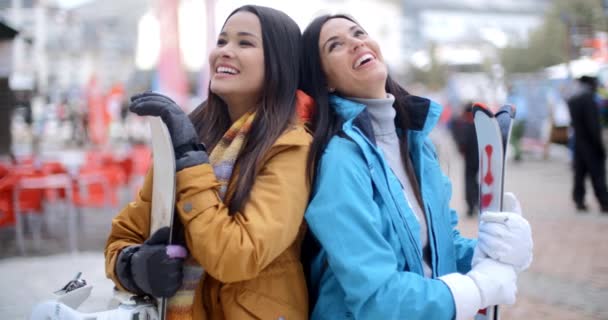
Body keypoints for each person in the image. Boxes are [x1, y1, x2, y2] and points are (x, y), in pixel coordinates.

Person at [300, 14, 533, 319]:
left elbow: (440, 247)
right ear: (325, 80)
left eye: (358, 33)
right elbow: (376, 299)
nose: (356, 43)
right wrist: (475, 289)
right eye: (336, 45)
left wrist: (493, 250)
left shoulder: (415, 143)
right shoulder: (341, 162)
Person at [105, 5, 312, 319]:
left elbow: (236, 256)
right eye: (221, 41)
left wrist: (190, 160)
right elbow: (124, 236)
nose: (225, 52)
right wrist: (135, 266)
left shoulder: (292, 145)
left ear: (279, 62)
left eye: (244, 43)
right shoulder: (189, 136)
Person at [567, 75, 608, 213]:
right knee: (598, 175)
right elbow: (593, 126)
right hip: (591, 145)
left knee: (579, 174)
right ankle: (604, 203)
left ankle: (579, 201)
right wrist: (600, 147)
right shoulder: (589, 100)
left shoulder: (574, 100)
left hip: (578, 143)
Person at [449, 102, 479, 217]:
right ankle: (475, 203)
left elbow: (461, 142)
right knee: (475, 181)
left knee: (469, 181)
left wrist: (461, 150)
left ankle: (472, 206)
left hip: (469, 158)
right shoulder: (480, 124)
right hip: (478, 157)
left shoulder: (464, 124)